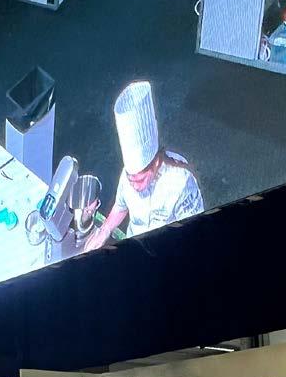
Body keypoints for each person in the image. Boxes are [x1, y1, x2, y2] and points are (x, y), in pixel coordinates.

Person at [84, 81, 203, 250]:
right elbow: (121, 206)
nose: (134, 186)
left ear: (155, 163)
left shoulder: (181, 183)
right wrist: (104, 230)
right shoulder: (128, 176)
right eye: (131, 179)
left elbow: (195, 232)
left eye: (140, 180)